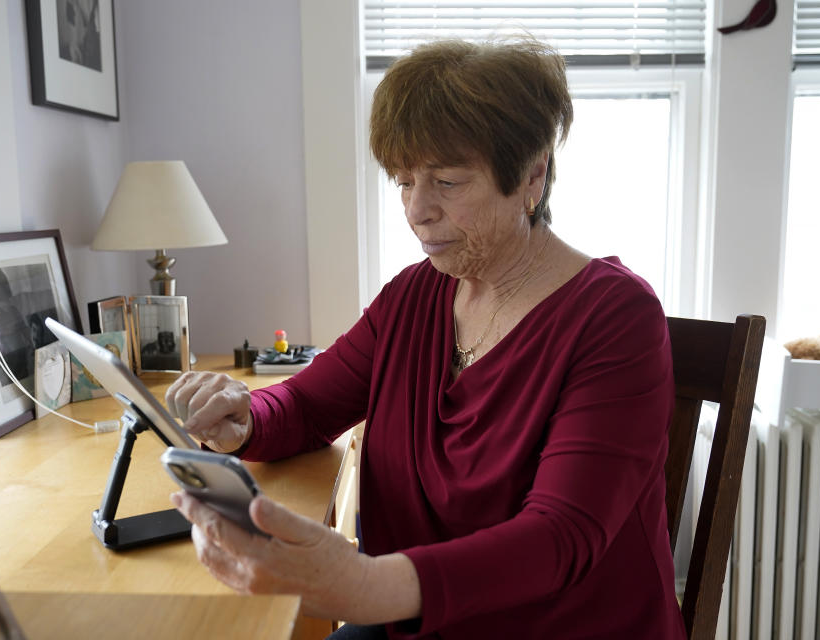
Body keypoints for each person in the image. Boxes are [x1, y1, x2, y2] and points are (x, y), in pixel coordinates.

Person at [166, 37, 685, 639]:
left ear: (533, 175)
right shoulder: (413, 297)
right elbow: (306, 404)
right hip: (413, 618)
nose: (416, 209)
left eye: (448, 181)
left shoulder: (616, 317)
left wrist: (361, 585)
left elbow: (559, 537)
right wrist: (245, 417)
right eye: (404, 180)